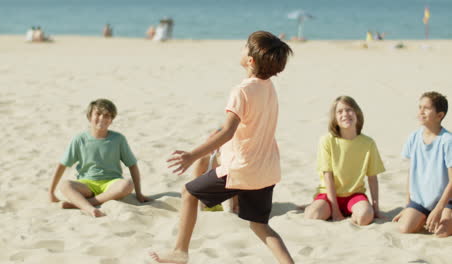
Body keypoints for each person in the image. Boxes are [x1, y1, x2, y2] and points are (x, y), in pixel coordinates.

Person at [150, 31, 294, 264]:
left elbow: (228, 132)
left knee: (188, 192)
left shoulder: (242, 91)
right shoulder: (269, 88)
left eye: (245, 47)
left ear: (250, 60)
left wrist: (192, 155)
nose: (242, 48)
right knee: (260, 226)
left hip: (242, 168)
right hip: (266, 169)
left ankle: (180, 252)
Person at [48, 99, 149, 217]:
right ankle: (90, 209)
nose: (102, 118)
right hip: (86, 184)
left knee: (127, 184)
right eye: (98, 114)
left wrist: (138, 193)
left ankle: (85, 204)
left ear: (111, 120)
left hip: (111, 184)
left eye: (107, 116)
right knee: (65, 185)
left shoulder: (118, 139)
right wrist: (51, 192)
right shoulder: (79, 139)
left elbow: (132, 165)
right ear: (89, 116)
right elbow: (62, 165)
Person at [304, 96, 385, 226]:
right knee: (312, 216)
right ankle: (314, 206)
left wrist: (376, 209)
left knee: (365, 217)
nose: (345, 114)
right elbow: (327, 176)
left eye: (349, 110)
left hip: (354, 195)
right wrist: (335, 211)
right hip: (328, 196)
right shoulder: (326, 141)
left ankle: (353, 213)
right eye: (340, 112)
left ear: (357, 113)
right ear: (335, 118)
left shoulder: (368, 143)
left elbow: (372, 177)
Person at [393, 92, 452, 237]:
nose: (421, 111)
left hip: (445, 200)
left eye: (426, 108)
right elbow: (411, 174)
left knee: (441, 233)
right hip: (421, 200)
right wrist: (408, 206)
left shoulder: (447, 141)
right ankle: (425, 215)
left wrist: (439, 209)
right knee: (405, 228)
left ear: (439, 115)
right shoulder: (413, 137)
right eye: (420, 107)